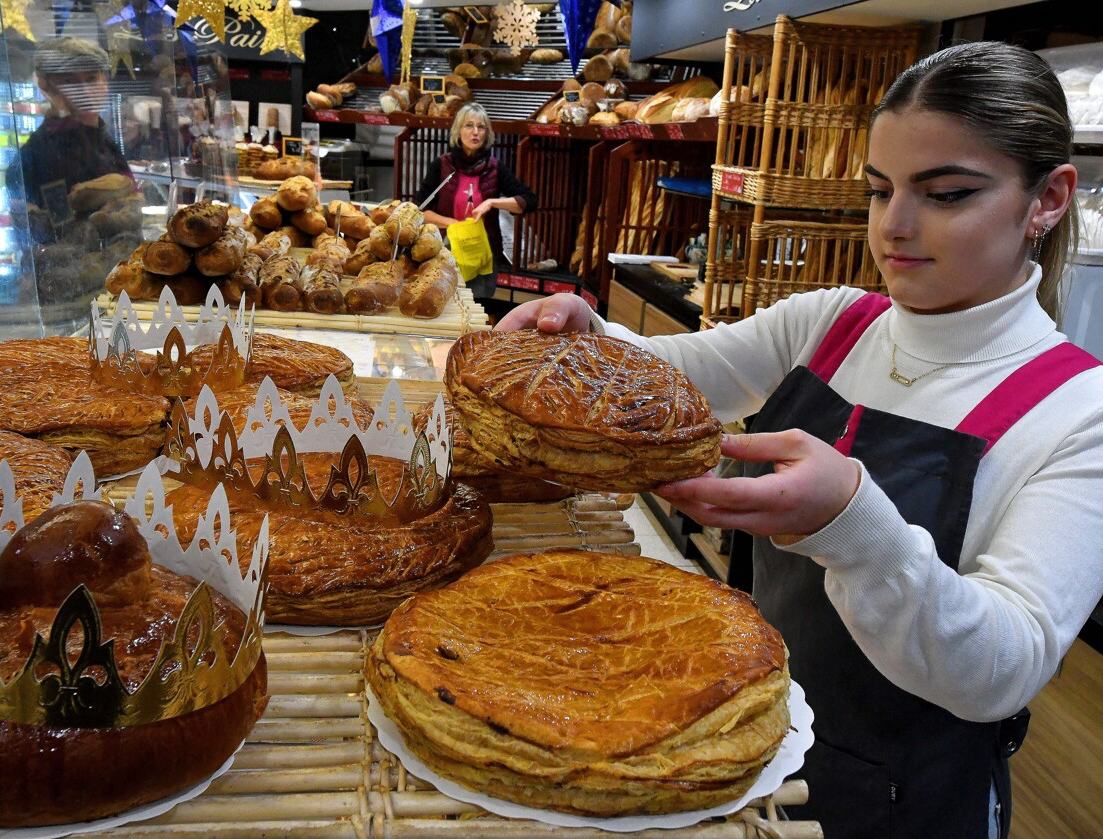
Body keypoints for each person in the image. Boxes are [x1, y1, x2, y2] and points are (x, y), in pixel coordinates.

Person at [497, 42, 1103, 839]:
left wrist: (851, 522)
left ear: (1049, 199)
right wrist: (590, 335)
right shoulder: (834, 322)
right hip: (753, 735)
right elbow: (682, 373)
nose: (897, 227)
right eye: (880, 192)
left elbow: (1006, 664)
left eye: (947, 193)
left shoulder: (1078, 411)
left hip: (910, 801)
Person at [415, 103, 538, 303]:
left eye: (481, 127)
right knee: (443, 303)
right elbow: (420, 210)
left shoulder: (496, 168)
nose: (475, 132)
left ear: (487, 133)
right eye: (468, 126)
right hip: (444, 251)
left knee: (476, 308)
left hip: (482, 255)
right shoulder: (441, 165)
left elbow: (529, 201)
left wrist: (493, 203)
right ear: (458, 131)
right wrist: (454, 224)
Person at [7, 37, 133, 212]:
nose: (86, 92)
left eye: (91, 79)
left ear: (104, 81)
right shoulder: (46, 150)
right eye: (70, 82)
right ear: (47, 88)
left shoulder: (99, 136)